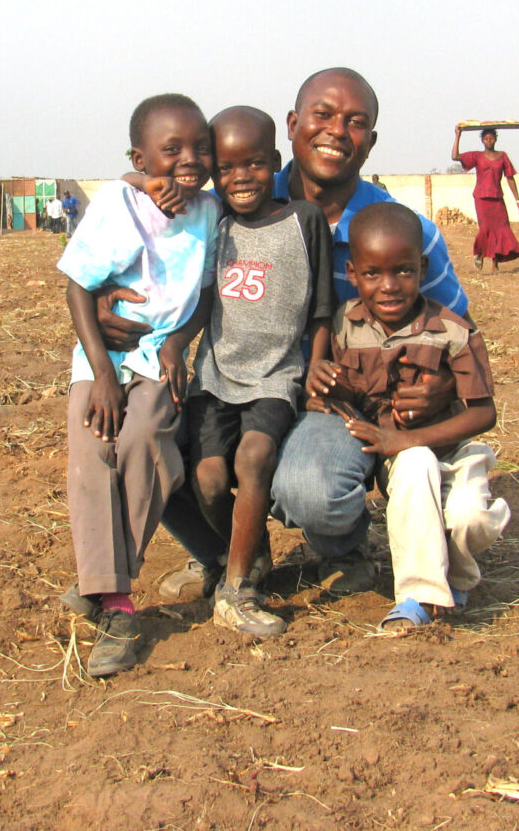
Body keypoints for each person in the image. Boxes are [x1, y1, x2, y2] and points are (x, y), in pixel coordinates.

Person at [100, 68, 470, 602]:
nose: (337, 131)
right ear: (293, 126)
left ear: (371, 142)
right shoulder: (236, 193)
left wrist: (443, 388)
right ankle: (226, 558)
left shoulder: (400, 229)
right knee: (149, 445)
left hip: (336, 402)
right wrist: (100, 294)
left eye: (356, 122)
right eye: (323, 115)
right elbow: (151, 192)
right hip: (239, 380)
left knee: (309, 489)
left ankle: (342, 549)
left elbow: (457, 334)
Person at [56, 94, 221, 677]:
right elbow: (78, 286)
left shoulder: (211, 208)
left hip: (159, 360)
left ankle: (102, 588)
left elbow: (205, 293)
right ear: (140, 156)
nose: (189, 160)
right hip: (104, 358)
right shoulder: (117, 202)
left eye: (201, 147)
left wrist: (178, 344)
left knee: (145, 443)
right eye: (171, 150)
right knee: (90, 455)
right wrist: (102, 373)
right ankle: (118, 602)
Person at [309, 203, 509, 631]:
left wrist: (407, 438)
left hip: (455, 450)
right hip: (403, 462)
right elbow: (330, 393)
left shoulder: (453, 330)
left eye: (403, 271)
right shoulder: (343, 329)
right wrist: (328, 386)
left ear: (422, 268)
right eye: (372, 274)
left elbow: (484, 413)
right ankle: (418, 595)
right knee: (416, 464)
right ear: (352, 272)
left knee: (470, 518)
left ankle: (458, 575)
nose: (388, 287)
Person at [183, 106, 335, 637]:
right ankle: (251, 553)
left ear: (274, 161)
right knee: (207, 480)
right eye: (226, 167)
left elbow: (320, 308)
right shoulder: (215, 224)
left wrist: (315, 366)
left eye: (253, 163)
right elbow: (204, 302)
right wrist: (179, 353)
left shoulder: (303, 220)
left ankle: (238, 588)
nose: (240, 177)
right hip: (216, 373)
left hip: (276, 374)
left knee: (255, 455)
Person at [452, 125, 519, 272]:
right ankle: (479, 253)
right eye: (486, 138)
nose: (489, 141)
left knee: (501, 229)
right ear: (482, 141)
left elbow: (510, 178)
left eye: (491, 138)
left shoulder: (503, 156)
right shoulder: (477, 156)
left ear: (496, 139)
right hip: (481, 198)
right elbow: (455, 156)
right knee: (486, 229)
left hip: (497, 198)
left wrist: (518, 200)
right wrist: (458, 135)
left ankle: (495, 264)